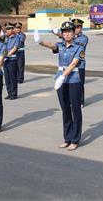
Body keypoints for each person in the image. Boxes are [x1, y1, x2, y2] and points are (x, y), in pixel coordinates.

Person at [34, 21, 84, 151]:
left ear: (74, 34)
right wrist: (39, 41)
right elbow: (51, 45)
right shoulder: (60, 45)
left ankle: (75, 139)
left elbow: (74, 63)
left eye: (70, 32)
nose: (67, 34)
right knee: (65, 109)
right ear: (62, 34)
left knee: (75, 110)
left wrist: (63, 76)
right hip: (61, 80)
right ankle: (67, 138)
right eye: (65, 32)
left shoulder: (79, 46)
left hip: (73, 79)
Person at [71, 19, 88, 107]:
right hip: (70, 64)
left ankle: (81, 101)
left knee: (80, 84)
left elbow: (77, 47)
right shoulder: (71, 36)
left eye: (78, 27)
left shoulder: (84, 38)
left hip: (80, 64)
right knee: (71, 84)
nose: (76, 29)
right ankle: (73, 100)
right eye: (75, 27)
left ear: (81, 28)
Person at [3, 22, 20, 100]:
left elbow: (15, 48)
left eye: (9, 29)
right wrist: (4, 56)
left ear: (13, 30)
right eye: (6, 29)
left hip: (12, 59)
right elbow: (4, 48)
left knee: (12, 77)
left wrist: (8, 55)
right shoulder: (6, 38)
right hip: (6, 60)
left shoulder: (17, 38)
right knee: (7, 78)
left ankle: (14, 94)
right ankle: (9, 93)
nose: (7, 31)